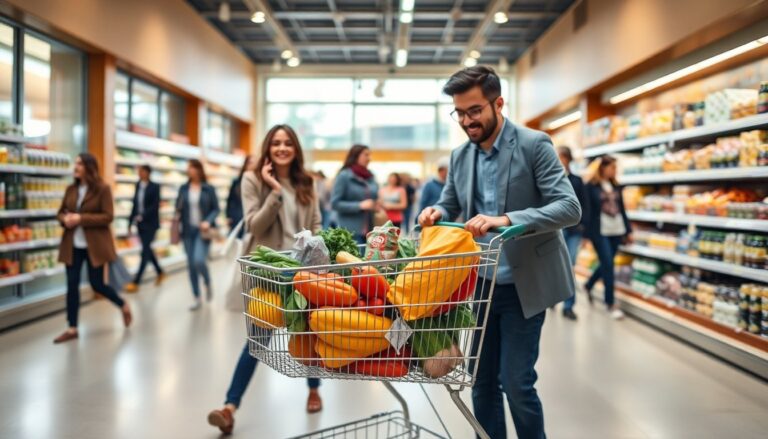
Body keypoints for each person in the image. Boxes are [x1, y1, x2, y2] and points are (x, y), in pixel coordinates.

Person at [418, 66, 580, 439]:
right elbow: (451, 201)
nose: (466, 120)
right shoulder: (460, 156)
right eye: (459, 112)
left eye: (474, 110)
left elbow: (569, 208)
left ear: (498, 103)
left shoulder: (534, 144)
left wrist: (504, 218)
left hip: (526, 284)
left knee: (517, 384)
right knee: (481, 382)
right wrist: (437, 212)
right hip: (482, 286)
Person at [207, 124, 323, 435]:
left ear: (295, 149)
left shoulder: (306, 182)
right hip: (267, 270)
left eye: (288, 143)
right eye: (276, 143)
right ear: (268, 149)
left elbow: (316, 224)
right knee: (257, 341)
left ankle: (314, 388)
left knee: (308, 331)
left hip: (303, 269)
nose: (282, 148)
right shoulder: (252, 180)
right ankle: (229, 407)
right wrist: (273, 191)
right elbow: (255, 228)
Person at [53, 153, 132, 344]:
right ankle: (72, 328)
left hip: (94, 245)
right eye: (76, 162)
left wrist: (81, 218)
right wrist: (65, 219)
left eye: (79, 163)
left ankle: (123, 304)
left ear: (89, 167)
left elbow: (108, 216)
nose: (76, 166)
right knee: (72, 284)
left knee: (97, 284)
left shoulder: (102, 189)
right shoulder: (71, 189)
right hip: (73, 245)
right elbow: (60, 212)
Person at [583, 155, 631, 320]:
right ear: (602, 168)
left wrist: (628, 230)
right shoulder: (590, 186)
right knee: (608, 265)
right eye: (612, 167)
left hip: (617, 229)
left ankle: (589, 285)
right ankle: (610, 303)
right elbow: (587, 212)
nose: (615, 171)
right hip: (600, 231)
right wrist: (586, 234)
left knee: (606, 263)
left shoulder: (616, 185)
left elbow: (622, 208)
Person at [175, 159, 219, 311]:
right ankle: (196, 297)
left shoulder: (208, 189)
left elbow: (216, 209)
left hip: (203, 231)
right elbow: (178, 207)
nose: (189, 170)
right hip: (188, 231)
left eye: (192, 167)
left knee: (199, 260)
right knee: (191, 266)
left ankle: (207, 281)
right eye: (188, 168)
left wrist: (208, 221)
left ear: (199, 170)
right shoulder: (183, 188)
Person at [557, 146, 589, 321]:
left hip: (574, 230)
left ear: (567, 159)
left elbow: (585, 205)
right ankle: (553, 297)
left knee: (569, 266)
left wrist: (584, 228)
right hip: (556, 229)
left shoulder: (577, 181)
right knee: (557, 264)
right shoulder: (551, 178)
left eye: (560, 157)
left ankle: (568, 305)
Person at [125, 165, 163, 293]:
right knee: (147, 250)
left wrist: (142, 215)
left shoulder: (155, 187)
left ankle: (136, 282)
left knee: (145, 252)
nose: (140, 173)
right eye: (139, 171)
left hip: (150, 224)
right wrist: (130, 223)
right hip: (140, 224)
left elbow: (154, 206)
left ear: (148, 173)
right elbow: (135, 205)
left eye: (142, 171)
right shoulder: (138, 186)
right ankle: (160, 272)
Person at [330, 144, 378, 244]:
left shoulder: (370, 176)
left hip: (370, 230)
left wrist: (376, 203)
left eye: (369, 155)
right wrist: (359, 205)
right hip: (350, 231)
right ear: (356, 155)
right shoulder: (344, 175)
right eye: (366, 155)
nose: (369, 158)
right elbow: (335, 203)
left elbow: (374, 195)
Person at [226, 155, 257, 236]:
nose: (252, 166)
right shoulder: (236, 182)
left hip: (252, 219)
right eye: (250, 163)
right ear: (245, 165)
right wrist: (228, 215)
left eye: (255, 163)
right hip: (237, 218)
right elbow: (230, 199)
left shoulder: (259, 183)